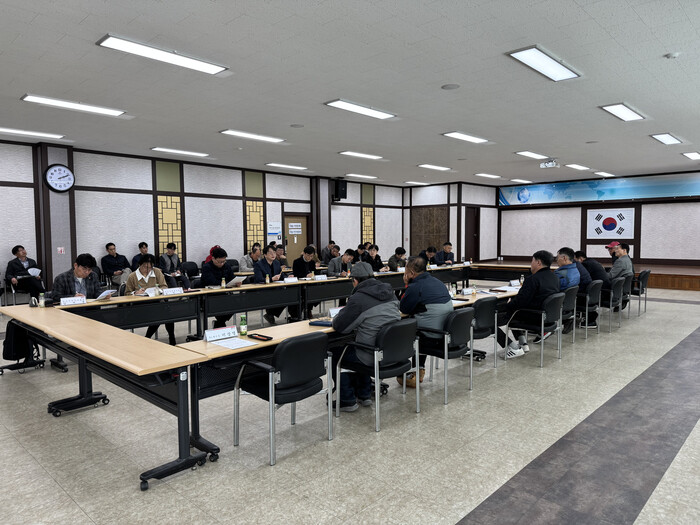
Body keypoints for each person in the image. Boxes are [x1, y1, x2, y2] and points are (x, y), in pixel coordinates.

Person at [331, 262, 400, 411]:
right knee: (363, 342)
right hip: (391, 351)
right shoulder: (391, 293)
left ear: (355, 281)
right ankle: (364, 394)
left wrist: (339, 315)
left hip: (370, 355)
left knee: (335, 352)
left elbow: (340, 327)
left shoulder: (359, 298)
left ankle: (347, 399)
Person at [398, 257, 453, 388]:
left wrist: (406, 285)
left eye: (405, 272)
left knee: (399, 332)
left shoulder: (416, 286)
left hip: (430, 337)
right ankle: (419, 368)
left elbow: (403, 308)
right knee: (421, 325)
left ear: (411, 273)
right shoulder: (438, 282)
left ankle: (405, 372)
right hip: (445, 334)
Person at [496, 250, 560, 357]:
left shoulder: (532, 279)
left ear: (538, 262)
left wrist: (508, 304)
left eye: (532, 261)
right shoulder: (555, 277)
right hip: (548, 316)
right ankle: (523, 344)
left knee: (492, 320)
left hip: (534, 317)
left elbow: (520, 302)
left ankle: (513, 348)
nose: (531, 264)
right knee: (513, 314)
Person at [125, 254, 176, 345]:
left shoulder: (156, 272)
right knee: (160, 313)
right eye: (145, 267)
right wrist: (135, 293)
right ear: (140, 265)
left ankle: (171, 337)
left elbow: (164, 286)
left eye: (150, 267)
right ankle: (148, 337)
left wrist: (157, 290)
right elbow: (127, 293)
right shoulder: (132, 276)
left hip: (156, 302)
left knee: (167, 312)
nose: (148, 270)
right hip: (140, 305)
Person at [555, 247, 588, 334]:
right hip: (569, 304)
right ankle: (567, 321)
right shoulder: (575, 270)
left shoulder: (561, 274)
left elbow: (552, 288)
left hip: (557, 305)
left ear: (564, 258)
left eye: (557, 258)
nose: (556, 260)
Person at [201, 247, 235, 328]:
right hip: (210, 295)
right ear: (213, 258)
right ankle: (220, 324)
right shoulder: (206, 267)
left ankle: (219, 323)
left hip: (224, 294)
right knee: (221, 305)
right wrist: (227, 284)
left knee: (236, 303)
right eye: (220, 262)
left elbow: (232, 277)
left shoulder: (226, 266)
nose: (222, 264)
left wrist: (236, 282)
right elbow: (212, 282)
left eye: (224, 261)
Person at [574, 250, 606, 328]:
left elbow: (583, 279)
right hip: (600, 290)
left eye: (575, 260)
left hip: (602, 292)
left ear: (580, 259)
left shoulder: (585, 265)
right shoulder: (592, 261)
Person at [254, 244, 286, 325]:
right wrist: (271, 279)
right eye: (270, 253)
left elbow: (281, 276)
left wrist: (288, 277)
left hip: (276, 288)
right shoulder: (259, 264)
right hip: (264, 290)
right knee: (276, 296)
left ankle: (270, 314)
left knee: (288, 296)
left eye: (274, 252)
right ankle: (270, 314)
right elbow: (258, 279)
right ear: (265, 255)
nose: (273, 255)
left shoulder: (276, 263)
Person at [292, 245, 318, 319]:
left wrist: (313, 275)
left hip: (310, 284)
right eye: (308, 256)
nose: (310, 258)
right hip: (300, 285)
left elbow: (315, 272)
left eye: (311, 256)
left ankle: (308, 309)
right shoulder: (297, 262)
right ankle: (304, 311)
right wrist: (306, 275)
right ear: (304, 253)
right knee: (305, 294)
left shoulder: (312, 262)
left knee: (317, 293)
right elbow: (296, 274)